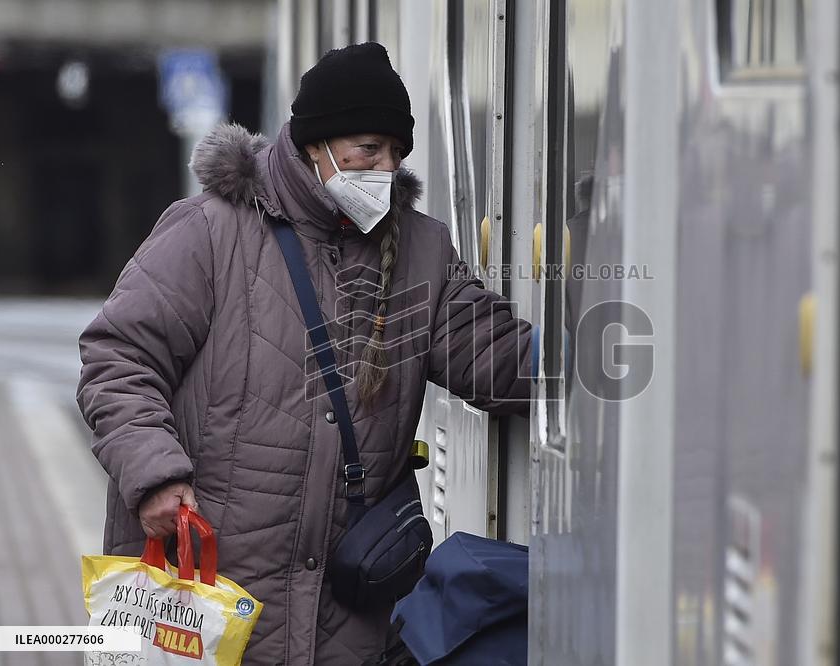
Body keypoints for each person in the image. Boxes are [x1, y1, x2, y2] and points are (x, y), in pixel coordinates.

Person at [75, 42, 532, 665]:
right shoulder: (211, 231)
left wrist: (596, 355)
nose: (384, 168)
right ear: (314, 143)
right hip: (208, 596)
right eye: (368, 149)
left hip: (343, 620)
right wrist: (155, 472)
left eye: (396, 153)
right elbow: (118, 360)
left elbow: (494, 359)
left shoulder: (420, 253)